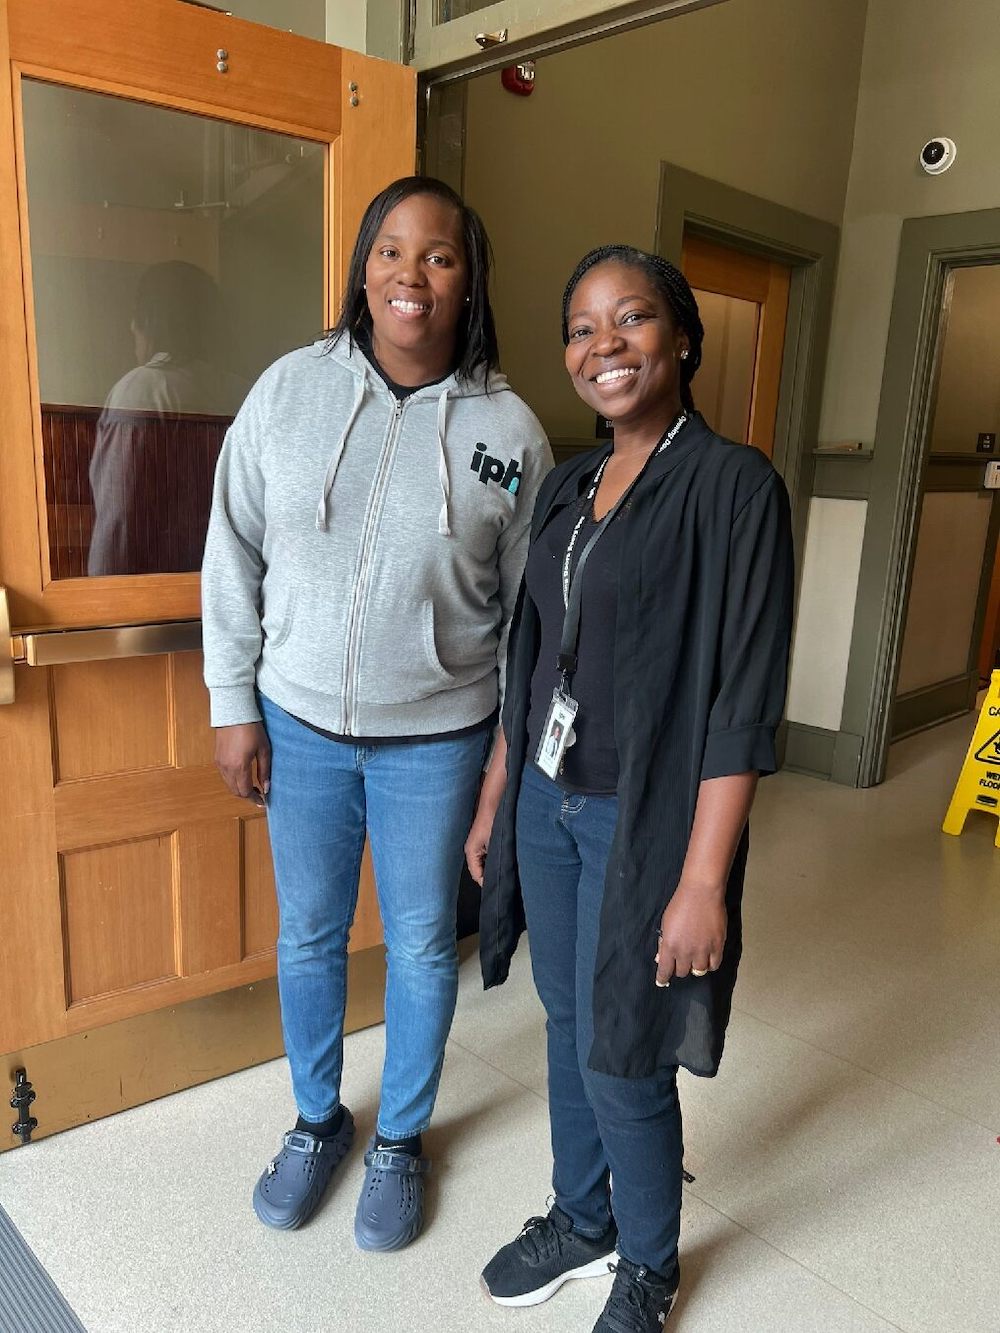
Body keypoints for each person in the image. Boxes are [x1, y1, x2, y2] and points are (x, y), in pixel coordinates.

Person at [201, 176, 551, 1252]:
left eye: (439, 255)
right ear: (362, 268)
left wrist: (503, 758)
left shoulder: (510, 430)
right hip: (297, 721)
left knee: (413, 944)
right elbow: (234, 547)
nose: (412, 274)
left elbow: (530, 610)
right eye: (391, 251)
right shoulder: (288, 392)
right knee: (307, 934)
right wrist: (231, 700)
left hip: (437, 739)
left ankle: (398, 1140)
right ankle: (317, 1122)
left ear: (468, 280)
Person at [467, 245, 794, 1331]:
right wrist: (499, 797)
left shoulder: (733, 486)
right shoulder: (570, 479)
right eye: (580, 328)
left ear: (682, 337)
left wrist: (703, 879)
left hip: (641, 818)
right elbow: (534, 659)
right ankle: (583, 1214)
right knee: (567, 1023)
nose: (603, 345)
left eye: (631, 319)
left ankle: (646, 1263)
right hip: (551, 805)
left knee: (625, 1038)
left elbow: (742, 700)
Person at [88, 261, 246, 576]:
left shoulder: (142, 390)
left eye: (139, 315)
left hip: (156, 596)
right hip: (226, 588)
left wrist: (101, 602)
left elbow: (119, 519)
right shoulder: (244, 391)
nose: (132, 326)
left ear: (150, 320)